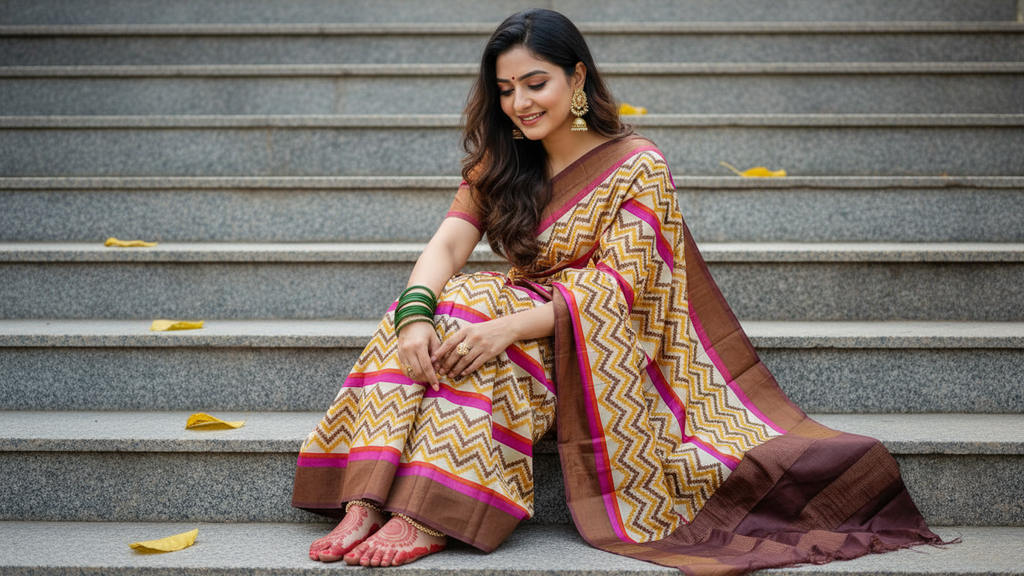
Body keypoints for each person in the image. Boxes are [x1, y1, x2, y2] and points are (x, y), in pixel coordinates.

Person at [292, 9, 944, 573]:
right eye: (506, 89)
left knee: (483, 317)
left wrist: (506, 328)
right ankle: (364, 500)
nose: (520, 102)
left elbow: (616, 288)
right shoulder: (502, 159)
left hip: (603, 341)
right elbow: (447, 245)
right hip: (520, 316)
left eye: (535, 83)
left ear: (577, 78)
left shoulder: (639, 166)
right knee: (448, 301)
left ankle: (429, 511)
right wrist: (414, 319)